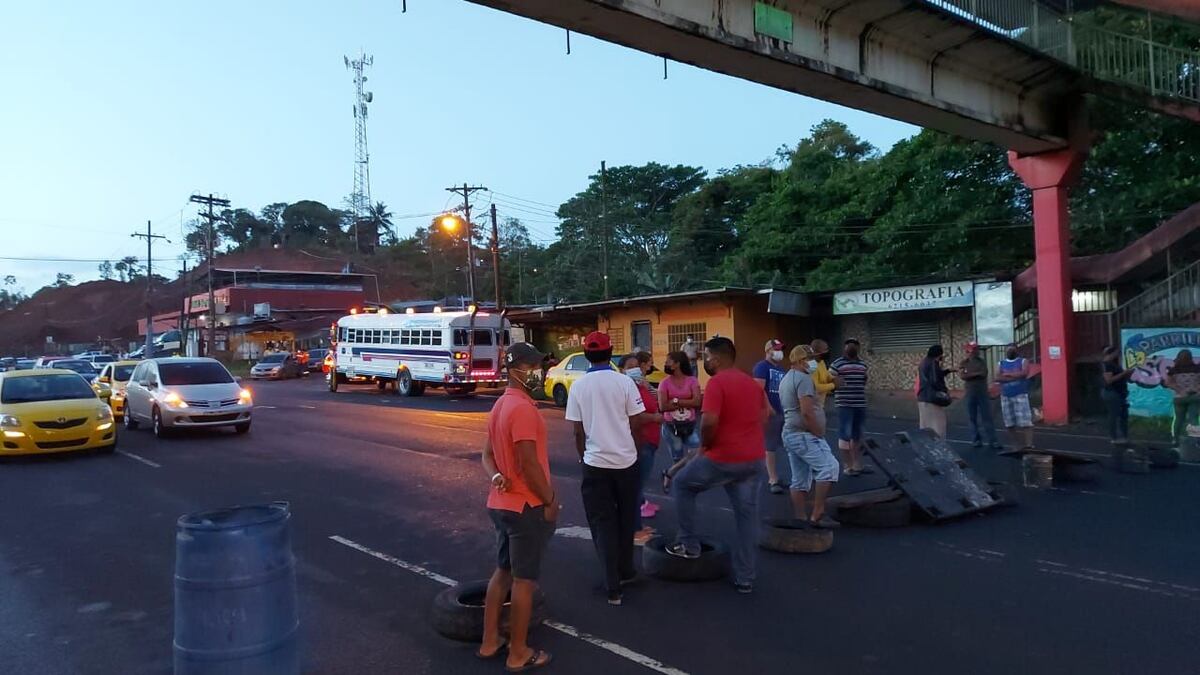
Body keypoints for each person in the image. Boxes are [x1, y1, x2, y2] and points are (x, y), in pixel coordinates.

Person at [664, 337, 767, 594]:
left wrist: (707, 445)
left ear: (717, 359)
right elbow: (767, 415)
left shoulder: (717, 383)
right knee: (746, 518)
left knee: (682, 484)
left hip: (723, 458)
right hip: (753, 459)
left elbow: (709, 422)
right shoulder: (751, 383)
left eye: (707, 357)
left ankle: (688, 545)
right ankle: (745, 578)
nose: (704, 361)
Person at [479, 342, 558, 672]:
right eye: (534, 366)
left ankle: (489, 641)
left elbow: (487, 455)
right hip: (526, 506)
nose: (540, 371)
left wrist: (496, 475)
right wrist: (550, 500)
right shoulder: (523, 409)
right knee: (524, 582)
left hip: (501, 505)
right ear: (516, 370)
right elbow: (528, 463)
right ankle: (518, 653)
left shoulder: (501, 404)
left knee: (503, 572)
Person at [566, 331, 655, 606]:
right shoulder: (624, 382)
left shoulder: (579, 386)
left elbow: (578, 431)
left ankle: (612, 585)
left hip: (595, 465)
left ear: (586, 355)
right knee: (627, 519)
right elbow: (637, 422)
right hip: (626, 463)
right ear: (611, 352)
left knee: (602, 522)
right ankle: (626, 571)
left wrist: (583, 458)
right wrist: (634, 452)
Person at [779, 344, 840, 527]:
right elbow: (807, 412)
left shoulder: (787, 378)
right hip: (804, 434)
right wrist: (817, 431)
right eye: (809, 358)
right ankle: (818, 513)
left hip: (791, 433)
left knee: (800, 479)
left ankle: (800, 519)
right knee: (829, 468)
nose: (813, 362)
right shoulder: (803, 379)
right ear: (800, 361)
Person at [620, 354, 664, 545]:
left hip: (650, 442)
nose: (635, 369)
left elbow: (655, 403)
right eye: (630, 366)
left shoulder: (641, 386)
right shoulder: (625, 389)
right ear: (622, 370)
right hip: (640, 442)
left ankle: (636, 526)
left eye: (637, 365)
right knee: (635, 487)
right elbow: (633, 416)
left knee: (638, 486)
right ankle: (634, 530)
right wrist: (654, 418)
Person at [829, 338, 871, 476]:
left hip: (859, 403)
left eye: (854, 346)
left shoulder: (863, 365)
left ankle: (857, 465)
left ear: (858, 349)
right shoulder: (836, 364)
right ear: (845, 348)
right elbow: (830, 381)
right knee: (845, 435)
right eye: (849, 346)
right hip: (844, 404)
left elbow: (864, 380)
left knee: (857, 435)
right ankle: (848, 466)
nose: (851, 348)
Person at [752, 339, 788, 494]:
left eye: (780, 349)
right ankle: (773, 479)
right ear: (768, 351)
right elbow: (758, 390)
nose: (780, 352)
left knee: (785, 444)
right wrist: (768, 407)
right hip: (770, 413)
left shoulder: (780, 369)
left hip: (783, 411)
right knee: (770, 446)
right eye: (776, 349)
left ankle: (779, 476)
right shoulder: (762, 367)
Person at [658, 351, 702, 463]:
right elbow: (663, 406)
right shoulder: (664, 383)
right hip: (671, 426)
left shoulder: (692, 381)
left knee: (696, 454)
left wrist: (675, 401)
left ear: (677, 364)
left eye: (668, 361)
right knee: (677, 457)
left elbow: (697, 402)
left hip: (690, 425)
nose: (665, 364)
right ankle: (676, 473)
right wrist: (688, 401)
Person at [960, 341, 1001, 449]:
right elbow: (963, 376)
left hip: (982, 393)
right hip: (970, 393)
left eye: (975, 349)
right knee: (972, 418)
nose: (974, 352)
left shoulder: (981, 362)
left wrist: (970, 374)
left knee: (987, 417)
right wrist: (974, 374)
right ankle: (976, 440)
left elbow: (983, 373)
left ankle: (993, 441)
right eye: (971, 349)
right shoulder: (964, 363)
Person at [996, 345, 1036, 450]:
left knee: (1026, 422)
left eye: (1012, 349)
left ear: (1017, 351)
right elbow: (997, 377)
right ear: (1006, 351)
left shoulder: (1023, 361)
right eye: (1009, 349)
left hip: (1020, 395)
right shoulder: (1001, 363)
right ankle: (1016, 446)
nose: (1010, 351)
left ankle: (1029, 445)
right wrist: (1015, 376)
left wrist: (1007, 374)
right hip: (1005, 396)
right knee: (1009, 423)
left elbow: (1024, 373)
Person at [917, 344, 954, 438]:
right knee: (938, 426)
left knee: (926, 426)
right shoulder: (933, 363)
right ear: (939, 354)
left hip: (922, 397)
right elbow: (935, 380)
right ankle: (939, 446)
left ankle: (926, 445)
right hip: (932, 398)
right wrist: (945, 392)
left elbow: (934, 375)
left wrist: (947, 371)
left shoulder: (923, 362)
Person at [1100, 345, 1135, 446]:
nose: (1118, 354)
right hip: (1112, 392)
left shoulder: (1113, 364)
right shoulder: (1107, 365)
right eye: (1116, 352)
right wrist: (1124, 373)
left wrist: (1127, 374)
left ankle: (1123, 436)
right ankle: (1114, 437)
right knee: (1114, 415)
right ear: (1112, 353)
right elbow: (1109, 380)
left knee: (1123, 414)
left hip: (1119, 392)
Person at [1166, 349, 1200, 446]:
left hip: (1180, 397)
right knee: (1193, 419)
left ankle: (1175, 440)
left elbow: (1168, 383)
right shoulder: (1197, 368)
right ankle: (1195, 441)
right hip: (1194, 396)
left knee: (1178, 419)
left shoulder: (1173, 370)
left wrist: (1179, 389)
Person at [809, 338, 837, 407]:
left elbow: (826, 374)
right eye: (825, 349)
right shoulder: (811, 366)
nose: (827, 351)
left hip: (819, 405)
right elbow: (816, 388)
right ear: (817, 352)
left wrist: (834, 378)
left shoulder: (821, 362)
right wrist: (833, 385)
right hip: (812, 406)